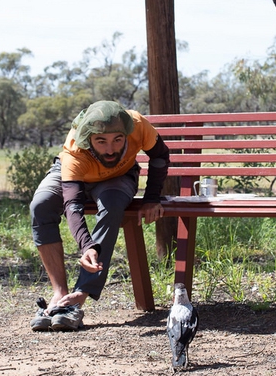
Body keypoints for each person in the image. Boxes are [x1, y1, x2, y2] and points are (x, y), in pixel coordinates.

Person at [29, 100, 170, 331]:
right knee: (40, 205)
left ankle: (78, 297)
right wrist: (87, 246)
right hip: (75, 174)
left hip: (119, 176)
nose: (111, 149)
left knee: (112, 204)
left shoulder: (137, 124)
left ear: (127, 133)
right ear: (89, 139)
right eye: (101, 141)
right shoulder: (76, 149)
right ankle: (60, 295)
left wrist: (152, 198)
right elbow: (73, 204)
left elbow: (160, 155)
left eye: (118, 140)